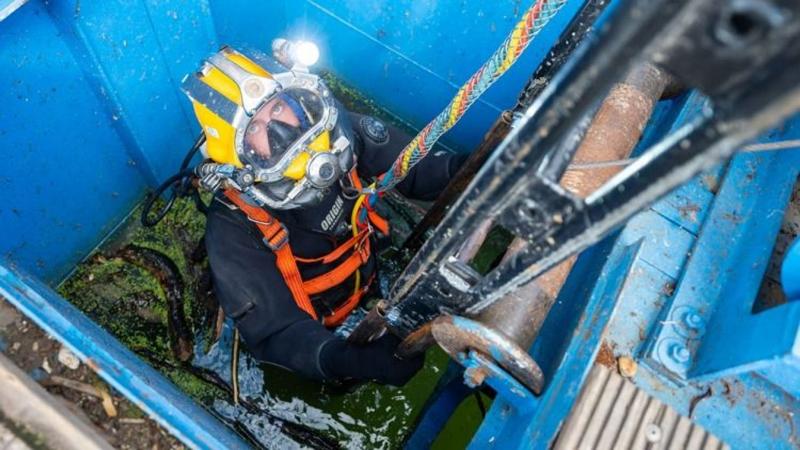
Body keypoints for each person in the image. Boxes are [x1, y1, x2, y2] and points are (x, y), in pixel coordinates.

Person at [181, 44, 466, 386]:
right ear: (236, 155)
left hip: (373, 274)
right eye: (254, 129)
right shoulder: (233, 227)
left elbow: (418, 170)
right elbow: (276, 334)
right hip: (323, 329)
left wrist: (477, 166)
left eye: (278, 109)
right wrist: (351, 360)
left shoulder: (339, 136)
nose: (281, 132)